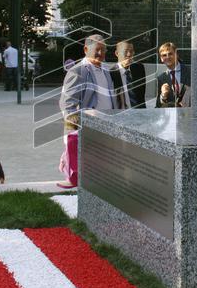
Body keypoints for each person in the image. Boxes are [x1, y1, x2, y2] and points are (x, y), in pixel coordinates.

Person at [58, 34, 115, 188]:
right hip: (87, 128)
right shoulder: (77, 71)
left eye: (103, 50)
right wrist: (77, 126)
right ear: (85, 49)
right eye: (97, 50)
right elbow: (67, 104)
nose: (101, 53)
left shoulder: (105, 70)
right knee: (84, 171)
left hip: (107, 126)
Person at [110, 40, 146, 109]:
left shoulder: (139, 68)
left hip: (139, 114)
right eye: (125, 51)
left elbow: (141, 96)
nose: (129, 54)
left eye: (131, 51)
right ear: (117, 53)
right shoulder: (111, 73)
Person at [155, 42, 190, 108]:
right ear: (161, 59)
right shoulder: (161, 78)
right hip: (170, 116)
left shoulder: (191, 72)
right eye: (164, 55)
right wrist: (163, 96)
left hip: (189, 115)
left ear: (176, 55)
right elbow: (158, 106)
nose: (167, 57)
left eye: (170, 54)